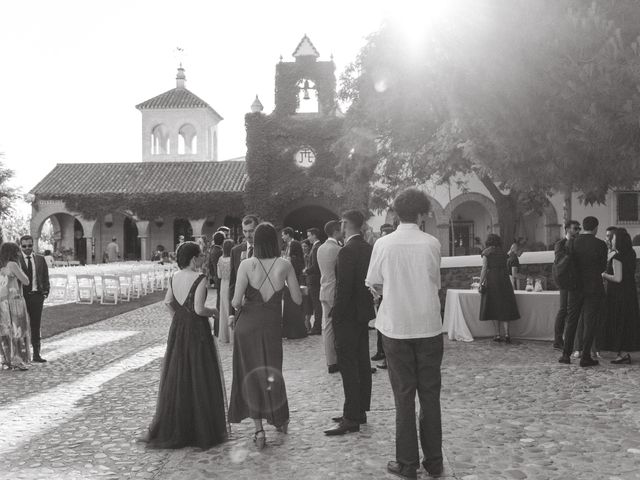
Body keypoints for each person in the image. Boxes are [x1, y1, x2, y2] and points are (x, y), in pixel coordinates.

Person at [365, 188, 445, 479]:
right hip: (428, 325)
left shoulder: (383, 244)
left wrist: (388, 291)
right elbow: (434, 281)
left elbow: (373, 282)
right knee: (430, 395)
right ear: (422, 213)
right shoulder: (432, 243)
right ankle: (434, 460)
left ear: (396, 214)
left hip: (396, 326)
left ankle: (407, 463)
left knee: (403, 396)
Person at [143, 242, 226, 449]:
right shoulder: (200, 279)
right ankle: (199, 427)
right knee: (199, 375)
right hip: (197, 330)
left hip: (179, 329)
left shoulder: (174, 277)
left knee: (179, 374)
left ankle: (179, 424)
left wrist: (178, 317)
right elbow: (199, 309)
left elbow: (167, 302)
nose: (201, 259)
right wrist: (214, 313)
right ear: (193, 258)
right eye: (199, 256)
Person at [228, 222, 303, 449]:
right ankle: (280, 419)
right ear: (276, 240)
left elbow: (235, 301)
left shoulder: (246, 265)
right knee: (272, 371)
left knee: (249, 373)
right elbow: (298, 299)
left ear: (256, 242)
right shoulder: (285, 265)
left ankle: (259, 431)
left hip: (247, 325)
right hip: (271, 326)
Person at [324, 210, 375, 436]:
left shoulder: (346, 251)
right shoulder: (368, 248)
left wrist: (336, 313)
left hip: (347, 315)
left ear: (346, 224)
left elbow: (343, 288)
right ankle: (359, 409)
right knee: (362, 362)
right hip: (362, 314)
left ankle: (351, 416)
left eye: (342, 223)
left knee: (348, 365)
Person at [559, 216, 608, 367]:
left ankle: (566, 354)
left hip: (575, 287)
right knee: (589, 321)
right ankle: (585, 356)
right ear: (595, 228)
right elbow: (602, 267)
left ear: (583, 227)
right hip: (593, 287)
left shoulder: (572, 242)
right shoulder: (600, 244)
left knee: (572, 320)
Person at [600, 229, 640, 364]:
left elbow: (617, 278)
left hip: (618, 295)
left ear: (619, 241)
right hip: (630, 293)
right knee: (628, 322)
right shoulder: (631, 253)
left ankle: (620, 353)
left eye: (613, 238)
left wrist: (604, 275)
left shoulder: (617, 257)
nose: (611, 241)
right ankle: (623, 353)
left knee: (618, 323)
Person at [479, 234, 520, 343]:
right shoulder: (503, 253)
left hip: (492, 280)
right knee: (505, 306)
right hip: (504, 280)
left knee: (494, 307)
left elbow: (484, 269)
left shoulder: (486, 253)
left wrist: (480, 283)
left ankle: (497, 334)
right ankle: (507, 334)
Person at [0, 242, 32, 371]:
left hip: (2, 302)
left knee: (5, 330)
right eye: (18, 251)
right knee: (18, 330)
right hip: (14, 301)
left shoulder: (1, 266)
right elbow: (26, 280)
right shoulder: (12, 264)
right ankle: (18, 360)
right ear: (14, 252)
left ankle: (6, 360)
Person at [18, 235, 50, 363]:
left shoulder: (41, 259)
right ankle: (23, 355)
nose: (27, 248)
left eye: (29, 245)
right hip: (21, 298)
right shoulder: (16, 260)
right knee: (21, 326)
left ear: (33, 245)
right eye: (24, 246)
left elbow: (45, 276)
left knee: (36, 326)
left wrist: (46, 292)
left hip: (37, 296)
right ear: (20, 246)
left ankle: (37, 354)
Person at [317, 220, 343, 373]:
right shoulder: (338, 249)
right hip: (334, 292)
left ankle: (331, 361)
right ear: (335, 231)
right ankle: (338, 359)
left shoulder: (320, 248)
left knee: (327, 328)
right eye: (341, 230)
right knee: (338, 327)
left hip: (324, 290)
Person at [552, 220, 581, 350]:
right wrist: (570, 244)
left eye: (579, 228)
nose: (577, 231)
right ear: (567, 229)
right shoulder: (560, 244)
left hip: (576, 281)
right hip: (565, 282)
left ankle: (572, 340)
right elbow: (560, 260)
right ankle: (558, 340)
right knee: (563, 310)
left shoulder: (579, 242)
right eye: (575, 228)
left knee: (572, 312)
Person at [372, 223, 396, 369]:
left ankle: (386, 357)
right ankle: (381, 352)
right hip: (384, 293)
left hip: (389, 294)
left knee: (386, 326)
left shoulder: (386, 250)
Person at [228, 214, 259, 321]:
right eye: (245, 231)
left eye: (251, 231)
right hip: (240, 307)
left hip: (260, 307)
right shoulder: (236, 251)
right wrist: (231, 313)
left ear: (258, 230)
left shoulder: (266, 251)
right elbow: (232, 282)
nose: (247, 235)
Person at [281, 227, 307, 339]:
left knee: (294, 302)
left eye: (283, 235)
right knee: (287, 303)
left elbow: (299, 259)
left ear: (288, 235)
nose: (282, 237)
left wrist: (290, 259)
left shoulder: (295, 244)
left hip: (294, 275)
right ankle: (287, 330)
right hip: (287, 275)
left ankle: (296, 330)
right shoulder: (285, 246)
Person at [304, 227, 323, 335]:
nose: (308, 238)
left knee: (316, 305)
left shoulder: (316, 248)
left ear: (314, 235)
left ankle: (317, 327)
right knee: (315, 304)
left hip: (314, 280)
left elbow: (315, 266)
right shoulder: (315, 247)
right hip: (313, 280)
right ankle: (315, 326)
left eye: (309, 235)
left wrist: (306, 270)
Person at [217, 239, 234, 344]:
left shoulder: (220, 259)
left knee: (223, 310)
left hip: (223, 284)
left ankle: (224, 336)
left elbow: (219, 275)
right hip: (231, 284)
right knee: (231, 309)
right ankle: (232, 336)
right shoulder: (233, 259)